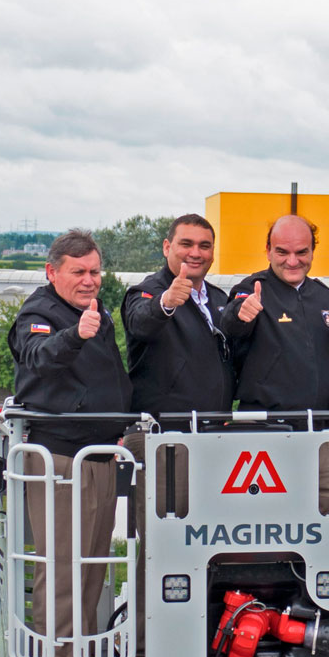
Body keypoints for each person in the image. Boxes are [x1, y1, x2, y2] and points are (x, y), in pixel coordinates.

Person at [8, 230, 134, 657]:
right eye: (78, 272)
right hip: (60, 461)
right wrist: (74, 336)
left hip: (99, 456)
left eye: (95, 271)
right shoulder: (39, 313)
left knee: (91, 567)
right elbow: (38, 358)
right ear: (52, 272)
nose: (89, 281)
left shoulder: (96, 313)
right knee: (63, 567)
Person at [123, 214, 232, 518]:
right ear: (167, 246)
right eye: (186, 244)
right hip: (164, 437)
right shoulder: (145, 292)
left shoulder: (219, 298)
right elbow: (140, 322)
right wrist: (166, 303)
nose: (196, 253)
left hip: (213, 437)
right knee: (165, 541)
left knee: (209, 536)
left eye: (204, 246)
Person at [219, 216, 329, 412]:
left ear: (313, 253)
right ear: (268, 251)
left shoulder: (325, 297)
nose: (292, 261)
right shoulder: (253, 289)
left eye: (301, 252)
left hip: (321, 424)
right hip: (266, 426)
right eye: (282, 252)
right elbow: (230, 324)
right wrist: (241, 314)